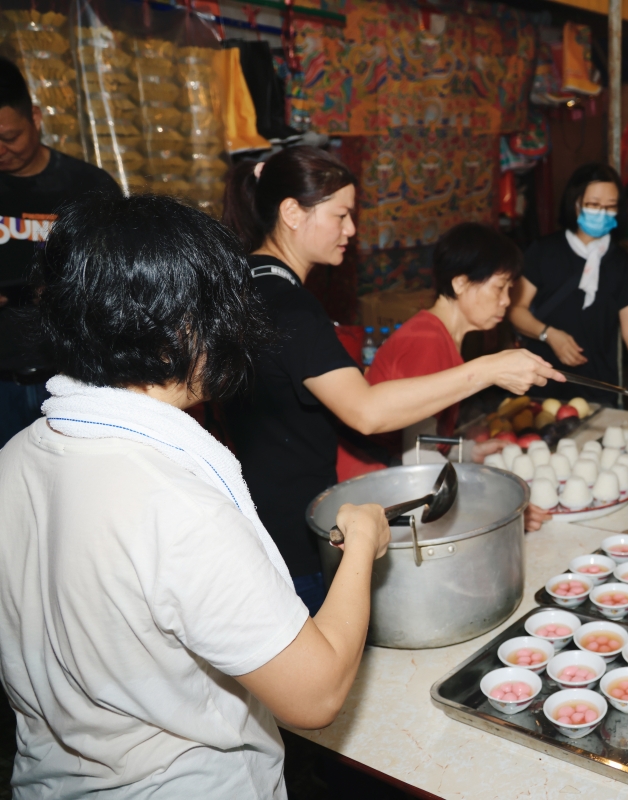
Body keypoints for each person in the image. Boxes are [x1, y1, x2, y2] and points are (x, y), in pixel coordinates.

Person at [0, 193, 393, 798]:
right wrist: (361, 544)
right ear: (180, 327)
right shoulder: (174, 502)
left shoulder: (17, 456)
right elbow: (316, 695)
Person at [221, 147, 560, 614]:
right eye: (341, 215)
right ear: (292, 213)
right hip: (293, 534)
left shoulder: (248, 284)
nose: (351, 230)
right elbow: (366, 412)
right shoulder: (289, 305)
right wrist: (489, 369)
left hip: (263, 516)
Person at [337, 221, 553, 530]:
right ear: (460, 283)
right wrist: (499, 503)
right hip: (373, 498)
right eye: (499, 287)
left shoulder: (440, 337)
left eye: (510, 289)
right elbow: (417, 461)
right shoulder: (426, 342)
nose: (507, 300)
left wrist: (469, 451)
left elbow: (420, 438)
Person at [0, 56, 120, 447]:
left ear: (35, 117)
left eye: (9, 137)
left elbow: (113, 281)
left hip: (72, 378)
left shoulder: (88, 186)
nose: (0, 150)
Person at [509, 162, 628, 406]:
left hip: (600, 388)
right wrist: (549, 334)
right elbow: (516, 310)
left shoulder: (624, 265)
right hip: (540, 386)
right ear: (575, 203)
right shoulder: (544, 252)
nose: (602, 212)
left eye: (610, 206)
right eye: (594, 204)